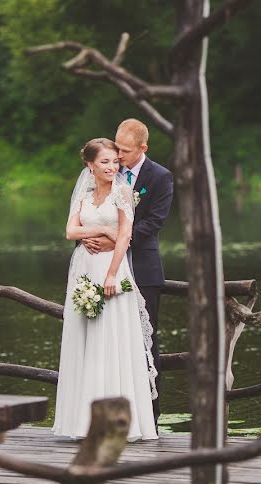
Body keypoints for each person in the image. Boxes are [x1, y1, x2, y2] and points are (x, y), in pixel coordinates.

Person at [52, 138, 158, 442]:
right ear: (90, 165)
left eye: (115, 161)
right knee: (84, 339)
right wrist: (102, 230)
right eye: (104, 162)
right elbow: (71, 231)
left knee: (110, 339)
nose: (112, 167)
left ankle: (115, 421)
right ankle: (82, 421)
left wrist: (112, 274)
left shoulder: (123, 192)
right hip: (84, 268)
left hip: (111, 269)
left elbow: (124, 236)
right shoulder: (84, 195)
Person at [81, 119, 174, 426]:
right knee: (106, 339)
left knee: (146, 344)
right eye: (116, 147)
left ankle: (150, 417)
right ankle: (106, 415)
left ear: (143, 148)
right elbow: (86, 208)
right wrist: (87, 236)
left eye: (124, 150)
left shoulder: (160, 177)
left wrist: (115, 237)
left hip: (142, 268)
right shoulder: (105, 168)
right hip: (101, 267)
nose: (117, 155)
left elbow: (153, 223)